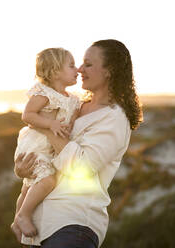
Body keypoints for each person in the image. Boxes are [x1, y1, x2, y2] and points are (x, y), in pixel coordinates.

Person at [13, 39, 143, 248]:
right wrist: (24, 170)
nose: (81, 69)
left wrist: (44, 126)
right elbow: (45, 151)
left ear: (109, 71)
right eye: (80, 64)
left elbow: (80, 167)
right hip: (40, 228)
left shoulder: (114, 118)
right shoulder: (74, 105)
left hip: (73, 225)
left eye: (88, 64)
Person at [11, 48, 81, 242]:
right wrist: (50, 124)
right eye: (72, 65)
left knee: (28, 186)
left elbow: (72, 120)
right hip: (35, 144)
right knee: (47, 180)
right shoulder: (45, 94)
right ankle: (23, 214)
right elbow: (28, 115)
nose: (78, 69)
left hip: (50, 147)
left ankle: (17, 221)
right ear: (56, 71)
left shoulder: (73, 99)